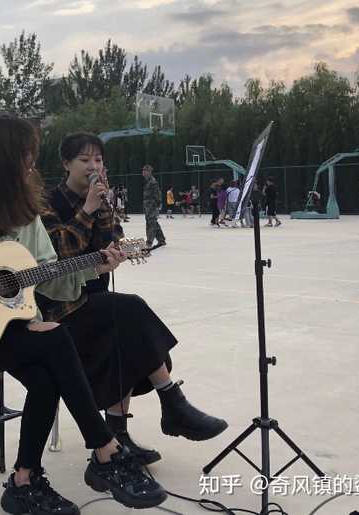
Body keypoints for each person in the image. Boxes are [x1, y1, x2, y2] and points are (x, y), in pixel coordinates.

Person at [0, 114, 167, 515]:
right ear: (5, 157)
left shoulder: (26, 211)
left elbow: (47, 275)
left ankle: (24, 481)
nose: (31, 163)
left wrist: (93, 267)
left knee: (47, 373)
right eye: (26, 154)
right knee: (56, 342)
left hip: (6, 330)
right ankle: (106, 450)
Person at [40, 132, 228, 466]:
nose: (93, 166)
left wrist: (115, 251)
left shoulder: (102, 199)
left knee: (123, 328)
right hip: (60, 306)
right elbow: (58, 251)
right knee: (130, 310)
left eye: (98, 160)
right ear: (66, 164)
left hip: (95, 300)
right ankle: (172, 401)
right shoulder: (47, 201)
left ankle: (120, 437)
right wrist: (88, 209)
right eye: (84, 160)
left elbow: (115, 239)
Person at [142, 164, 165, 249]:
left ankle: (149, 242)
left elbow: (157, 194)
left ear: (149, 172)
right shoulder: (148, 181)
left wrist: (158, 204)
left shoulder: (153, 182)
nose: (143, 172)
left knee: (151, 223)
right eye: (143, 170)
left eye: (145, 170)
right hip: (148, 206)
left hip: (152, 206)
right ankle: (161, 239)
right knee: (154, 223)